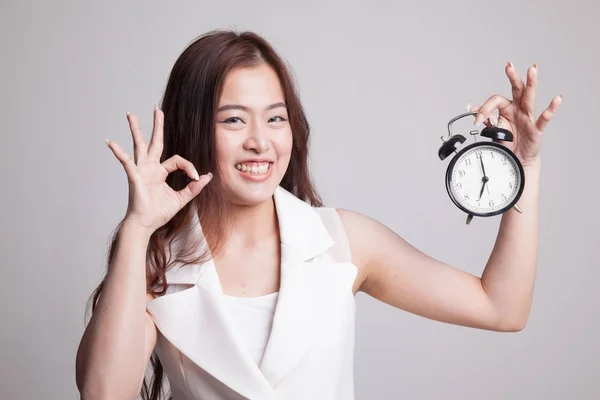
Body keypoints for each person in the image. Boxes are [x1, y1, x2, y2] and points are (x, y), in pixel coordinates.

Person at [75, 30, 563, 400]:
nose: (260, 142)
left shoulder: (341, 241)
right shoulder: (154, 262)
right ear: (193, 128)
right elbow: (102, 393)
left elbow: (502, 307)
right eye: (233, 119)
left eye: (275, 117)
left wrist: (525, 169)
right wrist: (138, 228)